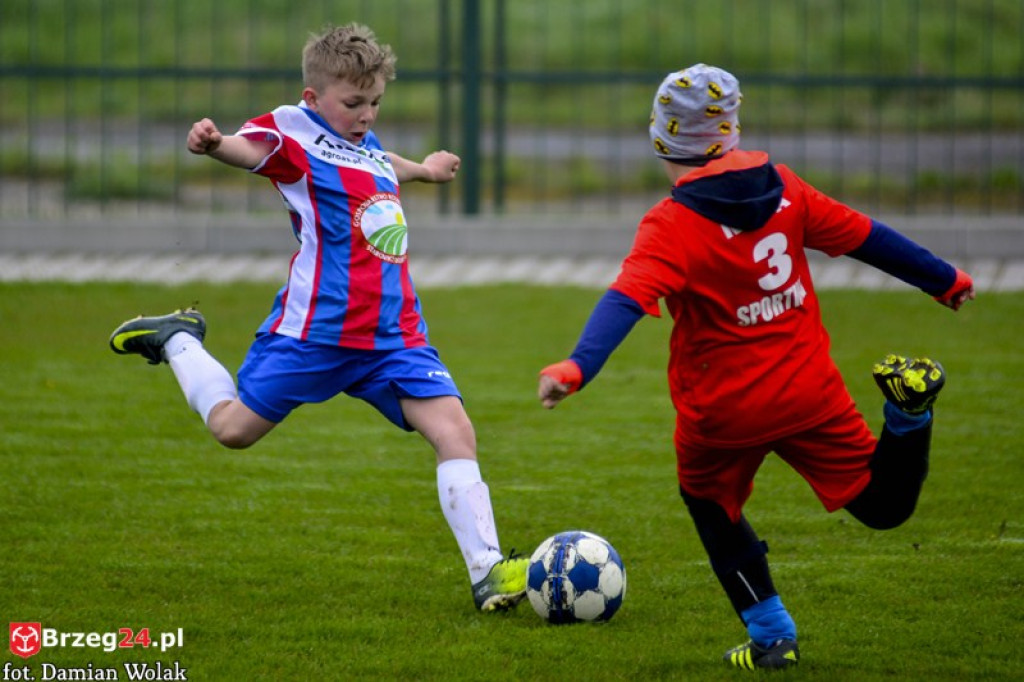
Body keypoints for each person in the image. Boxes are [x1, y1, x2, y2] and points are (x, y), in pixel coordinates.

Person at [537, 64, 975, 670]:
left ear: (662, 138)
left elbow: (626, 298)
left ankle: (771, 635)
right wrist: (944, 278)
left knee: (708, 501)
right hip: (808, 394)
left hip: (723, 413)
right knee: (882, 507)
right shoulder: (787, 189)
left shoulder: (671, 223)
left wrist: (577, 366)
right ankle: (908, 412)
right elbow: (865, 236)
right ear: (731, 130)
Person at [109, 23, 527, 612]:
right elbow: (253, 152)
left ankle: (488, 572)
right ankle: (179, 340)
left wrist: (426, 170)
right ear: (314, 97)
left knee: (455, 431)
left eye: (375, 102)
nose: (365, 114)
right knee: (233, 431)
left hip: (393, 338)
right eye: (354, 103)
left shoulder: (366, 145)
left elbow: (383, 162)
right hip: (315, 335)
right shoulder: (296, 132)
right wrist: (215, 144)